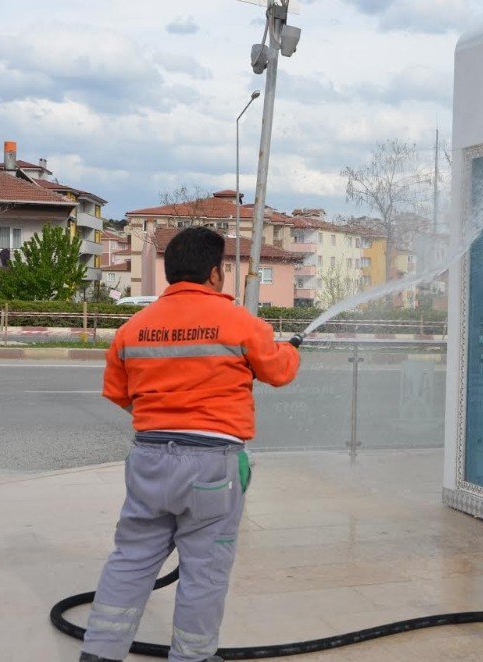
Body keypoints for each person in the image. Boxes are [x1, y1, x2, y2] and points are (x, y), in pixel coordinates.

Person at [80, 227, 301, 662]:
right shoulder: (239, 321)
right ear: (215, 274)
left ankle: (99, 653)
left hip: (148, 459)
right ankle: (193, 657)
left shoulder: (133, 328)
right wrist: (291, 349)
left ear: (170, 272)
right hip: (211, 467)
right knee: (204, 572)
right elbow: (278, 372)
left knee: (132, 559)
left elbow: (121, 394)